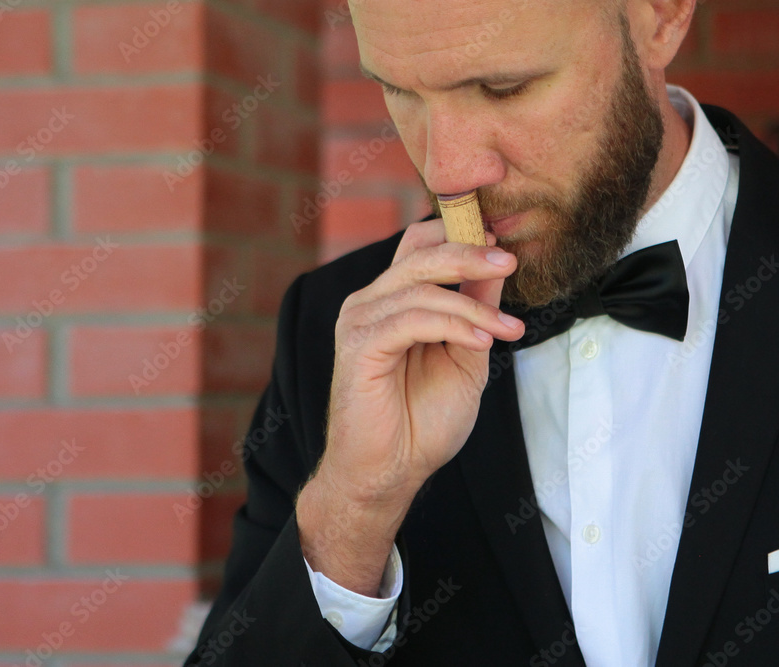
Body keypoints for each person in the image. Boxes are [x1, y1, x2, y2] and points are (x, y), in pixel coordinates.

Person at [185, 0, 779, 664]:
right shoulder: (333, 332)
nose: (449, 174)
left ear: (661, 16)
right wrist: (354, 514)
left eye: (504, 87)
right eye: (399, 91)